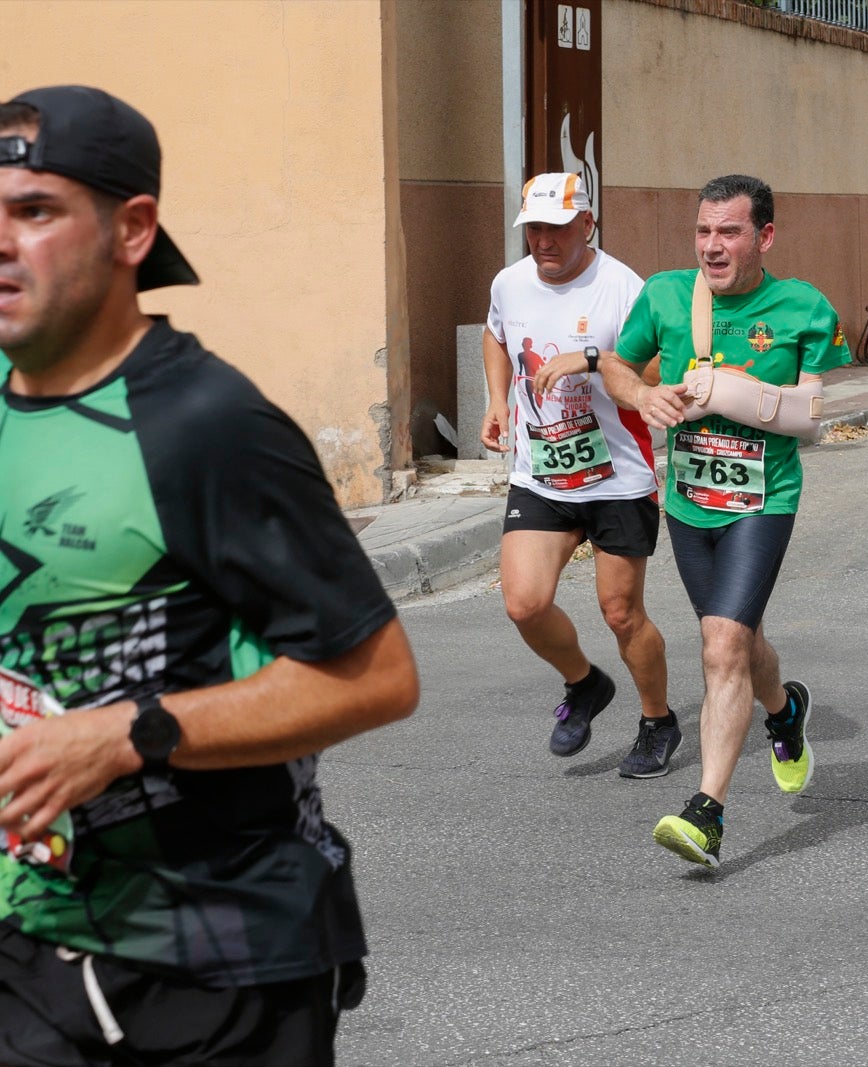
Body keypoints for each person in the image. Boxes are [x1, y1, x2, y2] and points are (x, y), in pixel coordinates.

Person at [0, 86, 419, 1066]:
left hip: (218, 969)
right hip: (34, 942)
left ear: (133, 229)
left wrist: (128, 732)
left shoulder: (207, 425)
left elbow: (377, 677)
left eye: (35, 211)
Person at [601, 174, 851, 867]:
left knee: (720, 645)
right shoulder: (665, 295)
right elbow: (617, 366)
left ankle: (706, 812)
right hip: (688, 502)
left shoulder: (803, 307)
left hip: (763, 501)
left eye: (729, 232)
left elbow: (808, 417)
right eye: (704, 231)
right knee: (739, 644)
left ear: (764, 236)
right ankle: (785, 711)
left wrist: (727, 393)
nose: (712, 246)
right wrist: (643, 394)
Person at [480, 172, 679, 778]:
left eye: (558, 228)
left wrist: (592, 361)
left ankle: (657, 721)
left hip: (617, 476)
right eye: (534, 228)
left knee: (621, 613)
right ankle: (585, 683)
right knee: (524, 604)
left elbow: (657, 376)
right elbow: (495, 335)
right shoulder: (510, 284)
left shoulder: (624, 289)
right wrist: (496, 401)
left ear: (587, 224)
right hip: (540, 471)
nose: (543, 240)